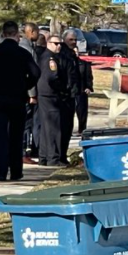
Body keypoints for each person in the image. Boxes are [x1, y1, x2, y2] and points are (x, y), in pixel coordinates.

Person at [0, 21, 41, 181]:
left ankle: (1, 171)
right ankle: (15, 171)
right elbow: (36, 72)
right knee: (16, 136)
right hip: (17, 98)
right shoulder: (22, 53)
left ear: (3, 34)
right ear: (16, 35)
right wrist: (26, 86)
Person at [37, 35, 69, 166]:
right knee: (53, 128)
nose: (59, 46)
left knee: (46, 128)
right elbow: (52, 78)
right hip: (50, 95)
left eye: (60, 44)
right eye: (56, 43)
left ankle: (44, 157)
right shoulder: (50, 59)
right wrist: (62, 89)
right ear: (49, 43)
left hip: (44, 95)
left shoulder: (45, 56)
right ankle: (53, 158)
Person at [58, 29, 80, 163]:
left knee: (68, 127)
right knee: (63, 127)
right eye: (71, 39)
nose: (74, 42)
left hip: (72, 95)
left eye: (75, 40)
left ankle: (63, 153)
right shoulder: (62, 54)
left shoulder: (72, 54)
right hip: (65, 95)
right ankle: (60, 154)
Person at [19, 23, 40, 164]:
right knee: (25, 125)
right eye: (37, 32)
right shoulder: (26, 48)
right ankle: (23, 153)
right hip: (26, 93)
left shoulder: (29, 47)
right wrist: (32, 94)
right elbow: (29, 73)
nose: (38, 35)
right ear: (31, 32)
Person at [74, 48, 93, 134]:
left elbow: (88, 76)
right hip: (70, 91)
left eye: (76, 51)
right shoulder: (66, 62)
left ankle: (82, 130)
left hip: (81, 91)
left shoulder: (84, 64)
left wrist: (88, 87)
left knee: (82, 112)